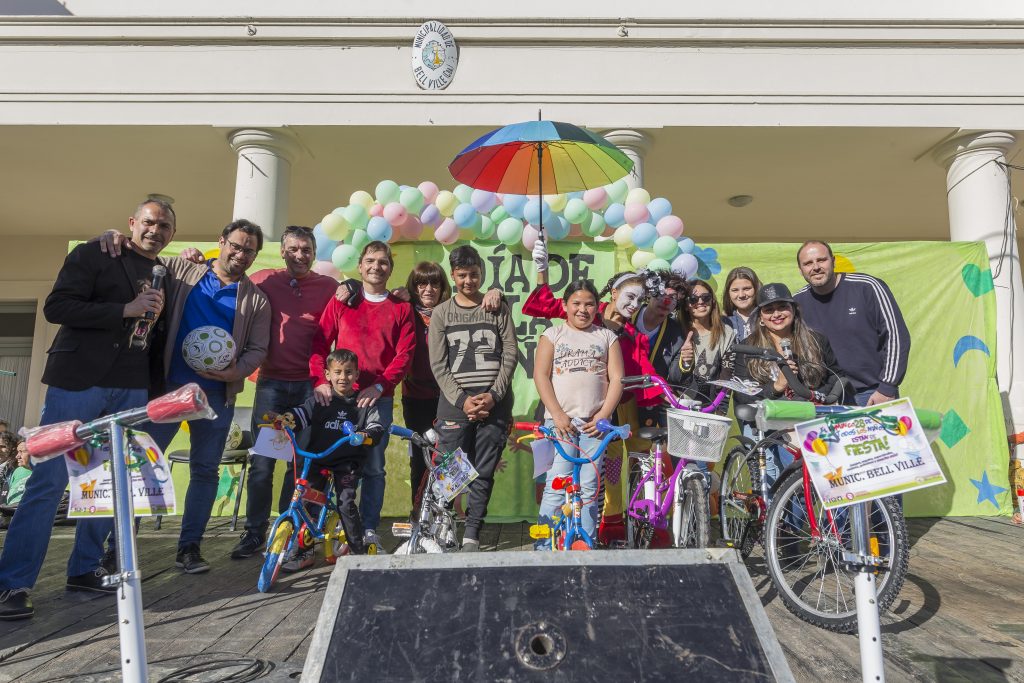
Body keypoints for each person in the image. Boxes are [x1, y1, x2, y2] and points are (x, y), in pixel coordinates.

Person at [0, 198, 175, 621]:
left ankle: (84, 570)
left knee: (105, 488)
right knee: (48, 482)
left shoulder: (163, 272)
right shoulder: (96, 252)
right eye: (149, 222)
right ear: (132, 222)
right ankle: (12, 584)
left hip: (130, 389)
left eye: (165, 226)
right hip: (78, 384)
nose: (156, 230)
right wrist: (124, 310)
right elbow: (57, 307)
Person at [146, 219, 270, 574]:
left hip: (216, 396)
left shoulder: (256, 300)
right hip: (170, 388)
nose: (241, 253)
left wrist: (234, 373)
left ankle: (189, 548)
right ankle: (115, 548)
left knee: (205, 470)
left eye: (249, 250)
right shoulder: (184, 271)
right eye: (236, 245)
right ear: (221, 242)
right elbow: (151, 265)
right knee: (143, 466)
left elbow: (258, 349)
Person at [229, 225, 342, 560]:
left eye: (306, 249)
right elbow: (225, 274)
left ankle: (285, 528)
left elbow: (355, 307)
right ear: (282, 251)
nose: (299, 255)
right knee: (264, 464)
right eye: (293, 248)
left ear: (314, 252)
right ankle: (253, 533)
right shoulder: (264, 279)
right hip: (272, 387)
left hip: (310, 390)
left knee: (299, 467)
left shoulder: (328, 286)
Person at [310, 241, 416, 551]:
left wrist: (380, 386)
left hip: (376, 401)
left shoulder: (401, 307)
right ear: (359, 266)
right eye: (370, 260)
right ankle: (312, 534)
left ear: (390, 268)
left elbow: (405, 355)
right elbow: (319, 344)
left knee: (372, 467)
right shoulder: (343, 300)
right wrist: (321, 381)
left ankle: (367, 530)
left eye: (383, 262)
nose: (376, 267)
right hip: (337, 400)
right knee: (326, 465)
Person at [429, 245, 518, 551]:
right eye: (463, 275)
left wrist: (493, 396)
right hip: (455, 406)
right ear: (453, 275)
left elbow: (510, 354)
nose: (469, 280)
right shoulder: (441, 313)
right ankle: (444, 524)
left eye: (475, 274)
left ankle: (472, 532)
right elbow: (438, 364)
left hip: (494, 406)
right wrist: (462, 401)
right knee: (451, 468)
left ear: (483, 272)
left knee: (483, 470)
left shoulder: (497, 308)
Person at [275, 349, 385, 568]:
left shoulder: (363, 403)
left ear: (357, 374)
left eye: (348, 372)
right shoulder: (320, 400)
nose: (343, 377)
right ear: (327, 374)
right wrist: (284, 420)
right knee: (304, 499)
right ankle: (302, 551)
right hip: (319, 458)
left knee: (345, 502)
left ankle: (357, 552)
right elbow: (301, 414)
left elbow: (377, 426)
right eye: (337, 372)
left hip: (348, 462)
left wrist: (365, 435)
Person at [534, 279, 624, 545]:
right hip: (560, 423)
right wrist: (558, 414)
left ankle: (586, 543)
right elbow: (540, 375)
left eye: (589, 304)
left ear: (597, 307)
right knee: (556, 483)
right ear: (565, 306)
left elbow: (617, 378)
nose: (582, 309)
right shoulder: (553, 334)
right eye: (576, 303)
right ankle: (543, 544)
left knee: (588, 488)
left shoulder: (607, 336)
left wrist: (604, 415)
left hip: (594, 425)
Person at [732, 283, 849, 486]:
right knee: (783, 483)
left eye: (782, 307)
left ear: (794, 310)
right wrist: (777, 386)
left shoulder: (816, 340)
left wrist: (816, 395)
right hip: (768, 424)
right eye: (769, 310)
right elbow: (743, 395)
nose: (776, 314)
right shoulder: (748, 348)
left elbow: (836, 376)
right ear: (760, 317)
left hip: (808, 419)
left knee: (821, 482)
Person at [794, 241, 910, 407]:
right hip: (825, 399)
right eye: (808, 263)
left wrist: (888, 387)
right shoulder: (797, 302)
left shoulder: (867, 287)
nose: (816, 267)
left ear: (833, 261)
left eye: (821, 260)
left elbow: (896, 337)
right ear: (800, 270)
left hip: (872, 394)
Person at [401, 261, 451, 514]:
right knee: (419, 456)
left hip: (450, 398)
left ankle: (445, 512)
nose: (428, 288)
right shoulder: (405, 310)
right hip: (416, 398)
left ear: (443, 286)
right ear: (414, 286)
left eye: (434, 282)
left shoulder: (453, 311)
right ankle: (418, 511)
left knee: (449, 457)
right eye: (422, 283)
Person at [669, 279, 737, 410]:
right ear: (685, 305)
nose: (700, 302)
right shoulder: (674, 329)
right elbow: (669, 376)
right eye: (693, 299)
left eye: (706, 297)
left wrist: (721, 409)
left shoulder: (726, 333)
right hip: (675, 404)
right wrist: (684, 362)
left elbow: (726, 377)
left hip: (707, 408)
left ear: (712, 301)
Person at [722, 266, 762, 341]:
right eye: (735, 290)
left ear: (756, 288)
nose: (741, 295)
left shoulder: (768, 319)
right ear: (728, 293)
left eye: (747, 289)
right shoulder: (724, 323)